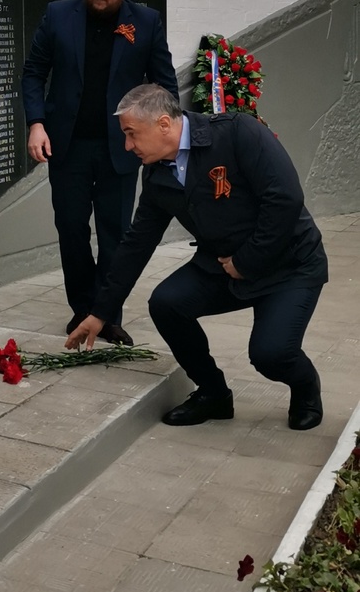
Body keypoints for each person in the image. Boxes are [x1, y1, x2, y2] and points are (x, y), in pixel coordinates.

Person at [65, 84, 327, 430]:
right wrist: (100, 312)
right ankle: (213, 394)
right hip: (224, 265)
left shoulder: (238, 133)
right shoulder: (159, 172)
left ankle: (306, 387)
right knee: (167, 303)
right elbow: (137, 243)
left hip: (289, 264)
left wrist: (246, 262)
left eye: (131, 134)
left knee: (270, 355)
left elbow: (285, 200)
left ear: (163, 125)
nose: (128, 146)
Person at [21, 0, 178, 343]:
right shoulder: (59, 15)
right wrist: (36, 124)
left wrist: (162, 140)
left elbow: (164, 85)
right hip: (68, 146)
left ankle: (107, 315)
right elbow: (34, 72)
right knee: (71, 229)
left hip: (122, 149)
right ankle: (81, 311)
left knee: (115, 233)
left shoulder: (146, 21)